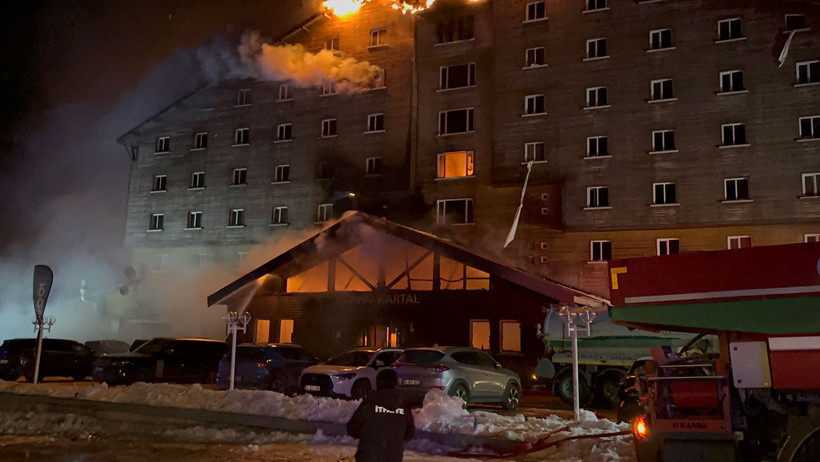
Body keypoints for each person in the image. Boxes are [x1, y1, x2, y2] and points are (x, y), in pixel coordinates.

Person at [347, 369, 415, 462]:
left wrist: (368, 434)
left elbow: (352, 428)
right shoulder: (403, 406)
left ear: (378, 383)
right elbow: (409, 433)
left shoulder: (369, 404)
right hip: (393, 458)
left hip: (367, 457)